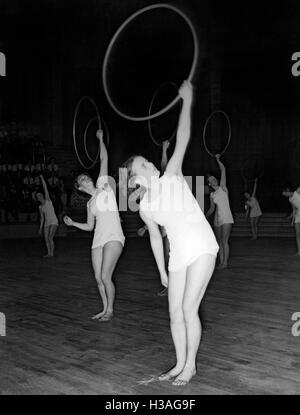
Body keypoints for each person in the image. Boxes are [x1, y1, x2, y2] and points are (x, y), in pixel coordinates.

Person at [121, 81, 218, 386]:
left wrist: (186, 102)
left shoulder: (171, 176)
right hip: (178, 255)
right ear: (136, 178)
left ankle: (190, 365)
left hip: (202, 245)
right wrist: (162, 271)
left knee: (189, 308)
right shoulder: (145, 206)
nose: (149, 163)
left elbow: (184, 137)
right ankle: (178, 363)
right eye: (143, 164)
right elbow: (153, 237)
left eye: (147, 160)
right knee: (175, 313)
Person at [64, 129, 125, 322]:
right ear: (80, 188)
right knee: (99, 278)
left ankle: (110, 311)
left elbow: (104, 159)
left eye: (85, 176)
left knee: (106, 276)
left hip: (114, 236)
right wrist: (73, 223)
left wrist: (100, 139)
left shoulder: (102, 185)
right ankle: (104, 308)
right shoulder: (90, 204)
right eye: (81, 180)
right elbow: (90, 227)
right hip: (98, 239)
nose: (85, 178)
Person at [137, 140, 171, 296]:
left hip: (182, 229)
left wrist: (164, 149)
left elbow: (164, 166)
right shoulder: (145, 199)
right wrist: (145, 227)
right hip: (166, 229)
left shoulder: (164, 181)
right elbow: (151, 214)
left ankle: (172, 284)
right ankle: (168, 284)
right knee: (167, 256)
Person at [206, 155, 234, 269]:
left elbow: (223, 170)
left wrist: (218, 160)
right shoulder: (212, 194)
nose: (214, 179)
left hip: (226, 218)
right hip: (217, 219)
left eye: (214, 178)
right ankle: (221, 262)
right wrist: (204, 217)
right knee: (219, 242)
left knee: (224, 241)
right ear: (209, 183)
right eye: (211, 180)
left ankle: (225, 263)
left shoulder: (223, 187)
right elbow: (212, 209)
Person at [36, 175, 59, 257]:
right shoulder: (40, 207)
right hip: (47, 222)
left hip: (53, 221)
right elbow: (42, 218)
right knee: (46, 238)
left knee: (50, 237)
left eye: (39, 195)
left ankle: (51, 253)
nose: (38, 196)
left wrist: (42, 179)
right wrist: (40, 228)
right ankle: (49, 253)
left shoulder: (48, 200)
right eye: (37, 196)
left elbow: (45, 188)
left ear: (42, 195)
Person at [282, 186, 300, 256]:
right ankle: (299, 251)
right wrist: (292, 220)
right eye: (284, 195)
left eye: (285, 193)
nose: (285, 196)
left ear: (288, 190)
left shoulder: (297, 192)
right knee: (298, 234)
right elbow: (294, 210)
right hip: (298, 215)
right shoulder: (290, 199)